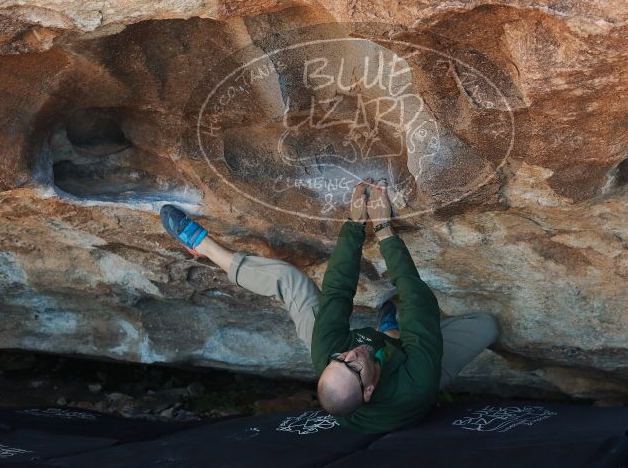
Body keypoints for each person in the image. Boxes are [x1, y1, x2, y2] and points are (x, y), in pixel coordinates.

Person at [160, 180, 498, 433]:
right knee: (485, 326)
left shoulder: (331, 354)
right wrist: (382, 229)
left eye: (340, 360)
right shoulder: (416, 381)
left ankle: (204, 246)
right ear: (368, 390)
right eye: (351, 365)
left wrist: (353, 227)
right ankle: (390, 332)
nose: (349, 355)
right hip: (409, 373)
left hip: (376, 366)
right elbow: (417, 299)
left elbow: (337, 293)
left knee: (288, 280)